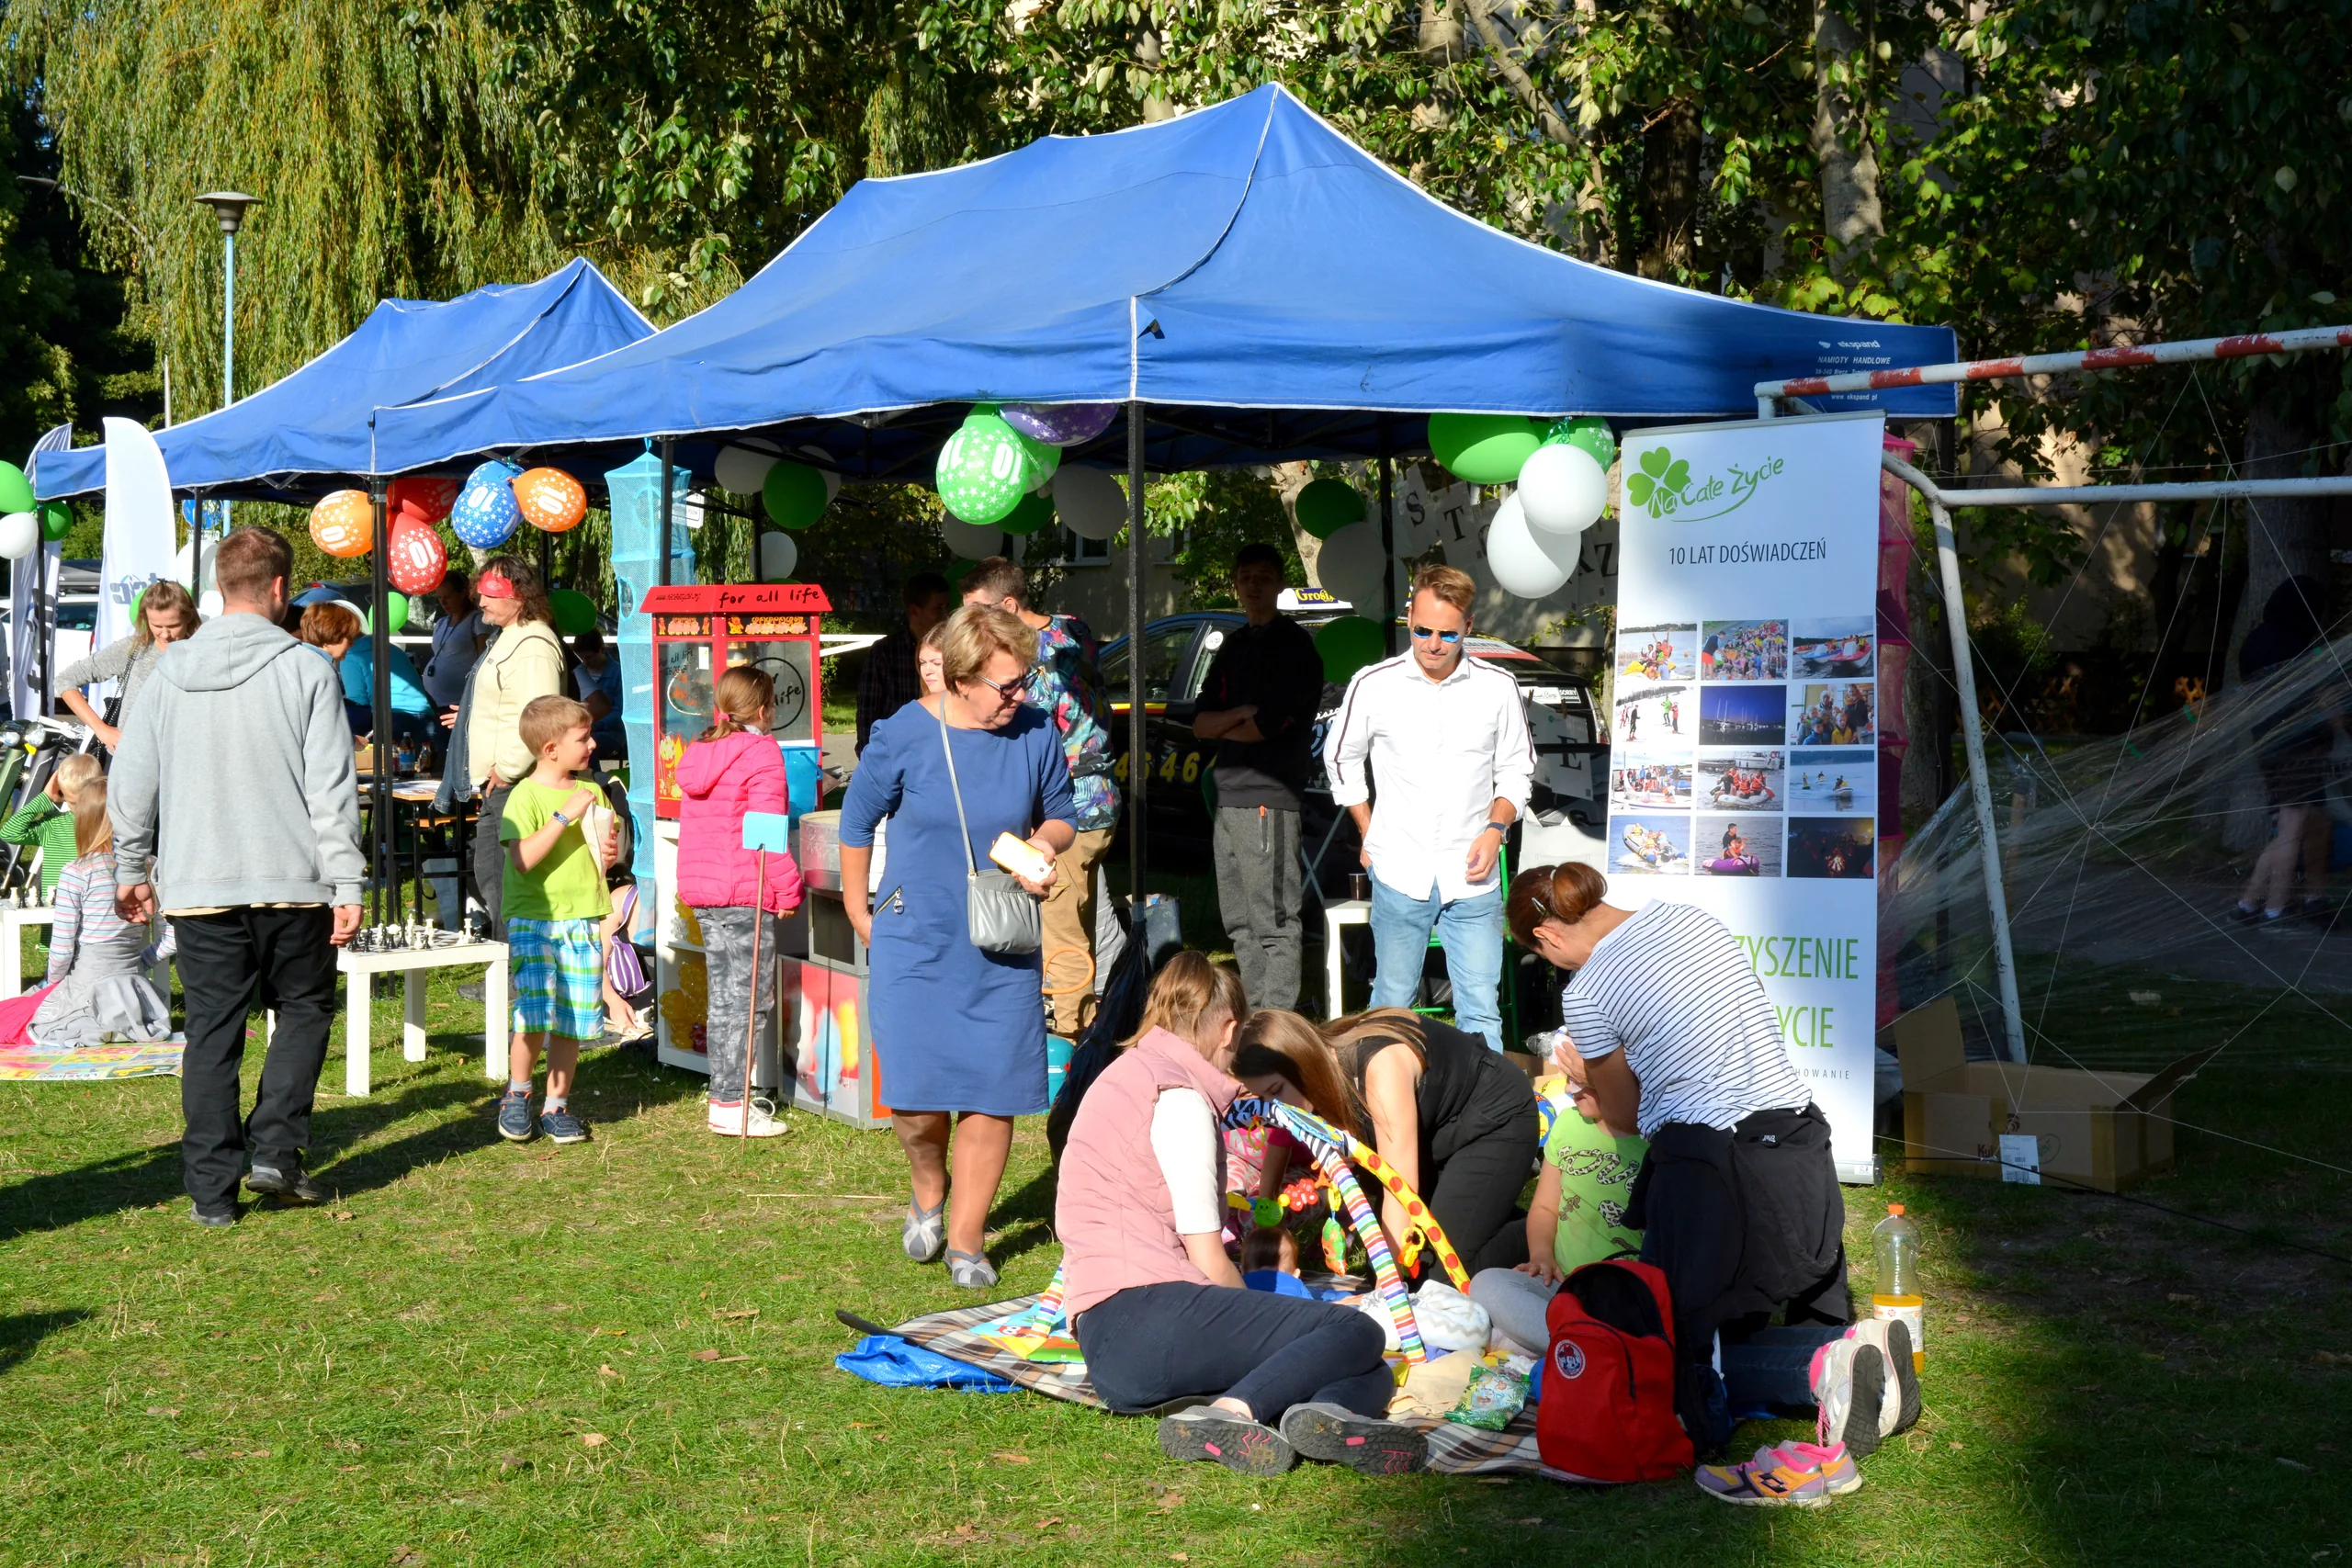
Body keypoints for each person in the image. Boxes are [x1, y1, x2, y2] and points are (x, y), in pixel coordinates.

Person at [1506, 861, 1917, 1455]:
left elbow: (1622, 1119)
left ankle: (1838, 1362)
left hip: (1712, 1165)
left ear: (1547, 937)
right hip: (1799, 1139)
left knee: (1662, 1358)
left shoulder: (1590, 991)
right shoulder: (1689, 918)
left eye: (1543, 956)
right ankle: (1854, 1354)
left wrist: (1585, 1075)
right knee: (1760, 1314)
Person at [1058, 953, 1429, 1478]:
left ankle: (1327, 1415)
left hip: (1112, 1345)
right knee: (1355, 1333)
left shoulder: (1128, 1074)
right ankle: (1233, 1413)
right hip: (1147, 1316)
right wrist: (1261, 1320)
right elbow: (1207, 1254)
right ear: (1230, 1028)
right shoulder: (1178, 1098)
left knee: (1366, 1369)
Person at [109, 525, 364, 1226]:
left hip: (201, 882)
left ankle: (212, 1191)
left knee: (214, 1032)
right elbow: (332, 792)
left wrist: (132, 865)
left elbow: (131, 782)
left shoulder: (166, 672)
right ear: (280, 589)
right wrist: (347, 881)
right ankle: (277, 1148)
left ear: (220, 588)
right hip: (294, 878)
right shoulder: (309, 669)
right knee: (305, 1009)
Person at [838, 604, 1075, 1289]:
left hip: (1000, 940)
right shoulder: (904, 734)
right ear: (962, 679)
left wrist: (1044, 843)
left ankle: (967, 1239)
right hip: (914, 937)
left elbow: (1060, 810)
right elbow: (856, 823)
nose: (1020, 696)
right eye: (1007, 685)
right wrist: (860, 910)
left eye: (1024, 680)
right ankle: (928, 1179)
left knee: (991, 1091)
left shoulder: (1034, 731)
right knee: (914, 1097)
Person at [1323, 564, 1532, 1052]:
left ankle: (1488, 1117)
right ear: (1408, 617)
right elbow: (1340, 760)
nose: (1433, 644)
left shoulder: (1497, 687)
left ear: (1469, 627)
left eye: (1447, 634)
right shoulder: (1373, 683)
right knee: (1392, 1002)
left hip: (1473, 874)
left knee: (1480, 1004)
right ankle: (1380, 1112)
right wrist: (1369, 831)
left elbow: (1518, 770)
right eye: (1422, 630)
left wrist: (1495, 828)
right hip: (1400, 867)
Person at [1232, 1007, 1538, 1274]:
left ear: (1302, 1063)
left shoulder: (1380, 1068)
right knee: (1392, 1262)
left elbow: (1398, 1190)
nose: (1274, 1109)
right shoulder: (1313, 1075)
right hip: (1435, 1136)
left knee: (1431, 1273)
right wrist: (1268, 1205)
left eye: (1275, 1091)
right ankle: (1491, 1212)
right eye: (1262, 1098)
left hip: (1492, 1119)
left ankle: (1546, 1231)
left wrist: (1387, 1293)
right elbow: (1281, 1134)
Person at [960, 558, 1119, 1037]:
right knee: (1083, 920)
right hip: (1101, 801)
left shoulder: (1035, 665)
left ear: (1009, 606)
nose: (974, 627)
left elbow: (1016, 730)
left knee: (1062, 935)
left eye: (980, 613)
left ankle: (1069, 1041)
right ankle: (1092, 1026)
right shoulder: (1074, 629)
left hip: (1067, 809)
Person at [1193, 543, 1326, 1012]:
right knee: (1239, 922)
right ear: (1236, 584)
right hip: (1228, 797)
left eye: (1263, 577)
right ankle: (1254, 1013)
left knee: (1273, 919)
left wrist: (1232, 722)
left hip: (1268, 796)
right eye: (1245, 576)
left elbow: (1264, 728)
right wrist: (1237, 715)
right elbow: (1200, 723)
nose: (1253, 585)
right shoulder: (1234, 644)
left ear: (1279, 585)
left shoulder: (1295, 649)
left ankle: (1278, 1024)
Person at [677, 666, 806, 1138]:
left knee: (726, 1000)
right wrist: (788, 889)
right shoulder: (761, 753)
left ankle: (726, 1096)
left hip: (705, 889)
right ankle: (732, 1104)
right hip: (741, 892)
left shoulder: (702, 750)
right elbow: (767, 834)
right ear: (765, 707)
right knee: (749, 1001)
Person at [1467, 1041, 1646, 1356]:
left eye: (1580, 1081)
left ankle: (1578, 1352)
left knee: (1499, 1335)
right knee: (1487, 1284)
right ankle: (1585, 1353)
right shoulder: (1568, 1124)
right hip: (1563, 1287)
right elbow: (1546, 1206)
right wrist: (1541, 1256)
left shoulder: (1653, 1138)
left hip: (1626, 1296)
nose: (1568, 1090)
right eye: (1567, 1078)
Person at [495, 694, 619, 1146]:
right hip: (535, 918)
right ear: (550, 749)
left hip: (584, 917)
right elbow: (524, 858)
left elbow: (607, 854)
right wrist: (564, 816)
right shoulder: (523, 797)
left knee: (576, 1018)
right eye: (582, 738)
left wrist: (610, 851)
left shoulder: (594, 792)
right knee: (533, 1014)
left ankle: (557, 1105)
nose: (591, 745)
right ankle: (518, 1093)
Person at [459, 558, 567, 937]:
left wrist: (504, 770)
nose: (481, 601)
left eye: (490, 593)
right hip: (508, 782)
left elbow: (541, 716)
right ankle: (513, 971)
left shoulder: (532, 644)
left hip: (516, 783)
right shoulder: (513, 637)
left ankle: (513, 974)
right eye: (481, 592)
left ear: (517, 596)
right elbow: (509, 703)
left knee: (503, 879)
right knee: (495, 876)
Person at [27, 782, 174, 1045]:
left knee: (16, 1015)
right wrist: (143, 962)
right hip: (134, 993)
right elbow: (172, 937)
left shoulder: (77, 871)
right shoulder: (151, 866)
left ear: (83, 821)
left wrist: (51, 986)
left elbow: (61, 951)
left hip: (87, 989)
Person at [53, 579, 201, 750]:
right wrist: (101, 729)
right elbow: (65, 680)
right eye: (157, 626)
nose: (165, 634)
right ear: (145, 618)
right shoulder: (134, 649)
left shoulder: (203, 652)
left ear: (189, 617)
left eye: (173, 626)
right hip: (130, 760)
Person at [855, 571, 952, 754]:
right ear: (915, 611)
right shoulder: (885, 652)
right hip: (897, 751)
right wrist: (870, 757)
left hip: (943, 748)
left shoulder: (955, 648)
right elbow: (867, 713)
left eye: (947, 607)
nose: (945, 615)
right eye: (938, 608)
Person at [2, 752, 103, 901]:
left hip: (94, 903)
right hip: (56, 905)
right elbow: (10, 833)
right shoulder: (54, 824)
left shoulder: (105, 824)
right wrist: (45, 797)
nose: (80, 808)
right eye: (73, 802)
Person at [421, 569, 486, 716]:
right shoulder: (442, 622)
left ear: (463, 593)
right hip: (434, 702)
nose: (443, 602)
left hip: (459, 703)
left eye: (448, 597)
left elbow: (483, 661)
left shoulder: (477, 620)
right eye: (439, 598)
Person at [572, 626, 628, 762]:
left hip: (612, 733)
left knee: (586, 747)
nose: (586, 662)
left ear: (602, 649)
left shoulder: (619, 674)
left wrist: (594, 725)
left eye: (590, 657)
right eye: (581, 658)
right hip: (583, 730)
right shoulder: (579, 673)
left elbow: (621, 713)